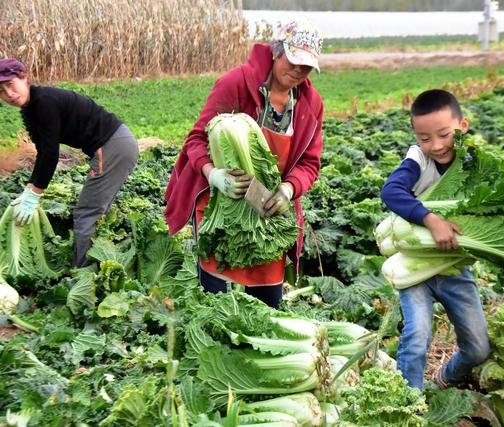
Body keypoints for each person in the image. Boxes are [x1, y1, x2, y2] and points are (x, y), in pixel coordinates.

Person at [164, 20, 324, 308]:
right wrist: (214, 175)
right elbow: (196, 140)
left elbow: (310, 163)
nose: (299, 70)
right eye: (294, 60)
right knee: (214, 298)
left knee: (267, 302)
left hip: (267, 205)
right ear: (277, 50)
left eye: (307, 65)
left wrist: (288, 189)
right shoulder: (236, 83)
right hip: (221, 201)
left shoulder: (310, 104)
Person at [380, 89, 491, 391]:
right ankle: (408, 405)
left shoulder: (474, 166)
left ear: (463, 126)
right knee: (416, 339)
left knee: (479, 348)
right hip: (416, 267)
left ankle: (446, 379)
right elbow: (391, 192)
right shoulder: (418, 160)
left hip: (453, 266)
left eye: (444, 135)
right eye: (425, 138)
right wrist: (432, 220)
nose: (436, 145)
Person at [0, 58, 138, 268]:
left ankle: (83, 274)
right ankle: (105, 263)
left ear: (24, 78)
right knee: (97, 210)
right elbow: (43, 152)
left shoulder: (44, 102)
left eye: (10, 85)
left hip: (112, 146)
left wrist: (34, 194)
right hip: (115, 144)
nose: (8, 94)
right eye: (1, 91)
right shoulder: (31, 108)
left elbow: (50, 155)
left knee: (86, 213)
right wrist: (30, 188)